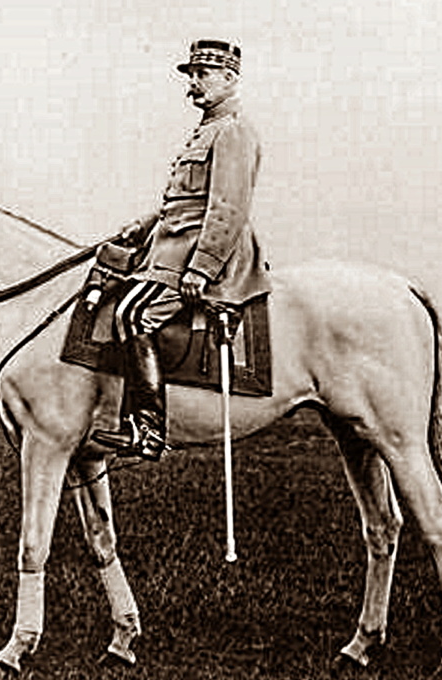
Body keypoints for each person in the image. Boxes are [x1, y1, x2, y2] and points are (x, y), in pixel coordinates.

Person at [92, 39, 271, 461]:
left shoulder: (233, 130)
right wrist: (142, 225)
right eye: (191, 75)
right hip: (168, 249)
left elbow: (228, 205)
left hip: (201, 255)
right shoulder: (206, 129)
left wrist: (202, 268)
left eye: (202, 74)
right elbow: (181, 200)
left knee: (133, 314)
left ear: (230, 78)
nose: (193, 84)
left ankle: (149, 429)